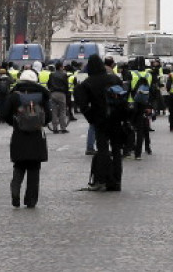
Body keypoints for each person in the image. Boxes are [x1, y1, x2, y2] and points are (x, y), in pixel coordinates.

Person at [74, 54, 127, 191]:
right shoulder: (114, 78)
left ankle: (102, 180)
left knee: (102, 149)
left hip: (100, 120)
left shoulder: (89, 82)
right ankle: (116, 181)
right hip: (116, 119)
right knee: (116, 150)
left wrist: (92, 118)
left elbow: (83, 105)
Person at [2, 68, 51, 208]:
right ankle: (31, 200)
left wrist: (16, 123)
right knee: (34, 169)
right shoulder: (42, 95)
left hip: (19, 135)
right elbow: (48, 117)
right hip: (37, 136)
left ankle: (15, 192)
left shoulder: (14, 96)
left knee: (19, 166)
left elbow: (4, 113)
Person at [47, 61, 70, 133]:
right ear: (60, 67)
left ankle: (55, 128)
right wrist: (66, 93)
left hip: (53, 93)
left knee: (54, 111)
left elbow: (49, 84)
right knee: (62, 111)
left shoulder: (52, 74)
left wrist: (51, 90)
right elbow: (66, 85)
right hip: (61, 94)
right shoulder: (64, 75)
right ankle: (63, 128)